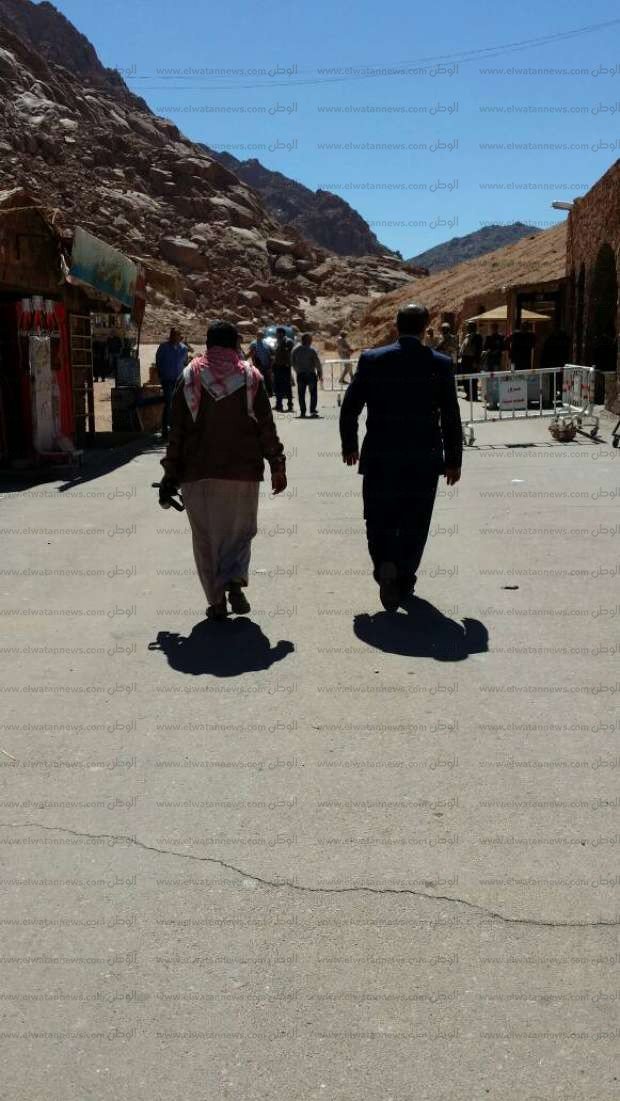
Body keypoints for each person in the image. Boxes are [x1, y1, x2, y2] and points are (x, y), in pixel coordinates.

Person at [159, 320, 287, 621]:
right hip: (243, 472)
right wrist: (277, 464)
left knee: (205, 538)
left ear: (207, 344)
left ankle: (216, 602)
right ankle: (234, 578)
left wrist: (170, 473)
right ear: (235, 344)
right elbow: (266, 427)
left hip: (197, 472)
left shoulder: (189, 376)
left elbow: (176, 432)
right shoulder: (251, 377)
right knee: (240, 532)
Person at [339, 303, 462, 612]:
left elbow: (350, 407)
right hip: (424, 457)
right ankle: (404, 576)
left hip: (380, 456)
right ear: (425, 328)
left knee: (378, 516)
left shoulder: (372, 359)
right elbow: (451, 415)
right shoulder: (440, 363)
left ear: (396, 326)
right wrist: (453, 460)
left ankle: (385, 564)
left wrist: (349, 445)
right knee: (415, 520)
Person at [156, 328, 189, 439]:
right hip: (167, 380)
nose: (174, 337)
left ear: (179, 337)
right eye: (172, 335)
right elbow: (158, 361)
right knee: (168, 403)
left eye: (176, 335)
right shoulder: (163, 347)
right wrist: (161, 375)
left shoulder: (184, 349)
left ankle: (177, 429)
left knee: (179, 404)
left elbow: (185, 363)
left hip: (179, 380)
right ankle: (165, 430)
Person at [292, 332, 323, 418]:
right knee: (313, 393)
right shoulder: (311, 350)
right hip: (310, 374)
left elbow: (293, 362)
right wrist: (320, 373)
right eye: (310, 339)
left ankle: (303, 412)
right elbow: (317, 363)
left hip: (300, 374)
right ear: (308, 340)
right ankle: (312, 410)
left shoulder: (295, 350)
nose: (311, 341)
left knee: (301, 394)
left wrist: (297, 370)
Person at [458, 320, 483, 401]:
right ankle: (468, 394)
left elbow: (478, 350)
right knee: (465, 378)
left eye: (469, 326)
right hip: (465, 360)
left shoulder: (477, 336)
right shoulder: (467, 336)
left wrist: (476, 361)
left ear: (473, 327)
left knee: (473, 379)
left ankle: (474, 396)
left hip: (472, 360)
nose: (467, 328)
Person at [272, 326, 294, 412]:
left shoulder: (288, 341)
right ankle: (279, 404)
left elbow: (290, 353)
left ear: (281, 333)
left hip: (285, 366)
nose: (276, 335)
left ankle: (290, 405)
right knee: (277, 386)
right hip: (277, 366)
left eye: (277, 333)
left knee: (287, 386)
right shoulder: (277, 342)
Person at [249, 328, 274, 397]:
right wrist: (254, 363)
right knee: (259, 380)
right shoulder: (253, 344)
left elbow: (271, 353)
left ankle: (270, 393)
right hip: (258, 365)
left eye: (261, 335)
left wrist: (270, 364)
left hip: (267, 364)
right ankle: (261, 394)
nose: (260, 336)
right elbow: (251, 354)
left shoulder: (266, 343)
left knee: (268, 379)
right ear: (256, 335)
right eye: (259, 335)